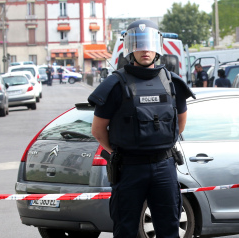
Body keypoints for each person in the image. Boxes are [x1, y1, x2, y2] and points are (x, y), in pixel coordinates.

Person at [88, 19, 194, 238]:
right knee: (125, 229)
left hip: (164, 166)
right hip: (129, 167)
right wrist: (121, 150)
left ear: (157, 47)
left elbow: (180, 124)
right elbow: (98, 130)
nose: (145, 49)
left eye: (149, 44)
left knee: (169, 229)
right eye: (139, 44)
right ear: (130, 48)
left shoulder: (172, 83)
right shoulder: (115, 85)